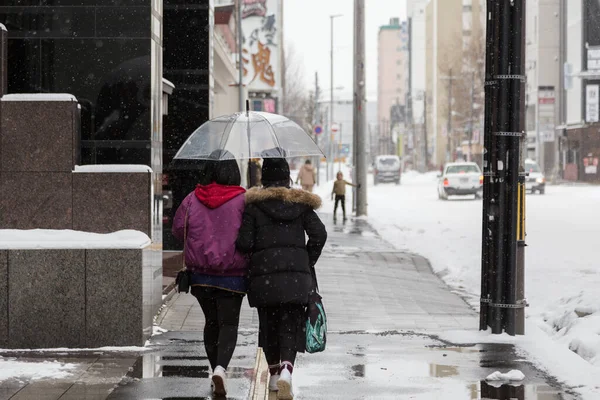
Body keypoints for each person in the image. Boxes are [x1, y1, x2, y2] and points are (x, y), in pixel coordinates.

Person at [236, 156, 327, 400]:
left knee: (269, 326)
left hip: (263, 278)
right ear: (287, 177)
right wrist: (307, 259)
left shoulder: (254, 207)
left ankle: (274, 375)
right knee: (290, 325)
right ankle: (287, 369)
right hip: (296, 279)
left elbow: (244, 243)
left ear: (263, 178)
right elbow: (319, 233)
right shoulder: (300, 205)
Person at [172, 151, 248, 397]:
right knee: (228, 324)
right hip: (233, 275)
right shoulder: (243, 200)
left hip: (200, 276)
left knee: (211, 322)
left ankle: (215, 371)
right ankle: (220, 369)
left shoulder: (192, 198)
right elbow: (251, 235)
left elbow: (177, 230)